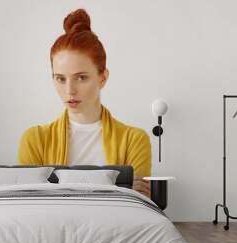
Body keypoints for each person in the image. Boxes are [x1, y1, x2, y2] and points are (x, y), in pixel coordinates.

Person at [17, 9, 151, 197]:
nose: (70, 90)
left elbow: (138, 208)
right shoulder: (34, 140)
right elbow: (26, 206)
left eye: (81, 77)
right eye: (60, 79)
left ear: (103, 78)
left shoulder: (134, 140)